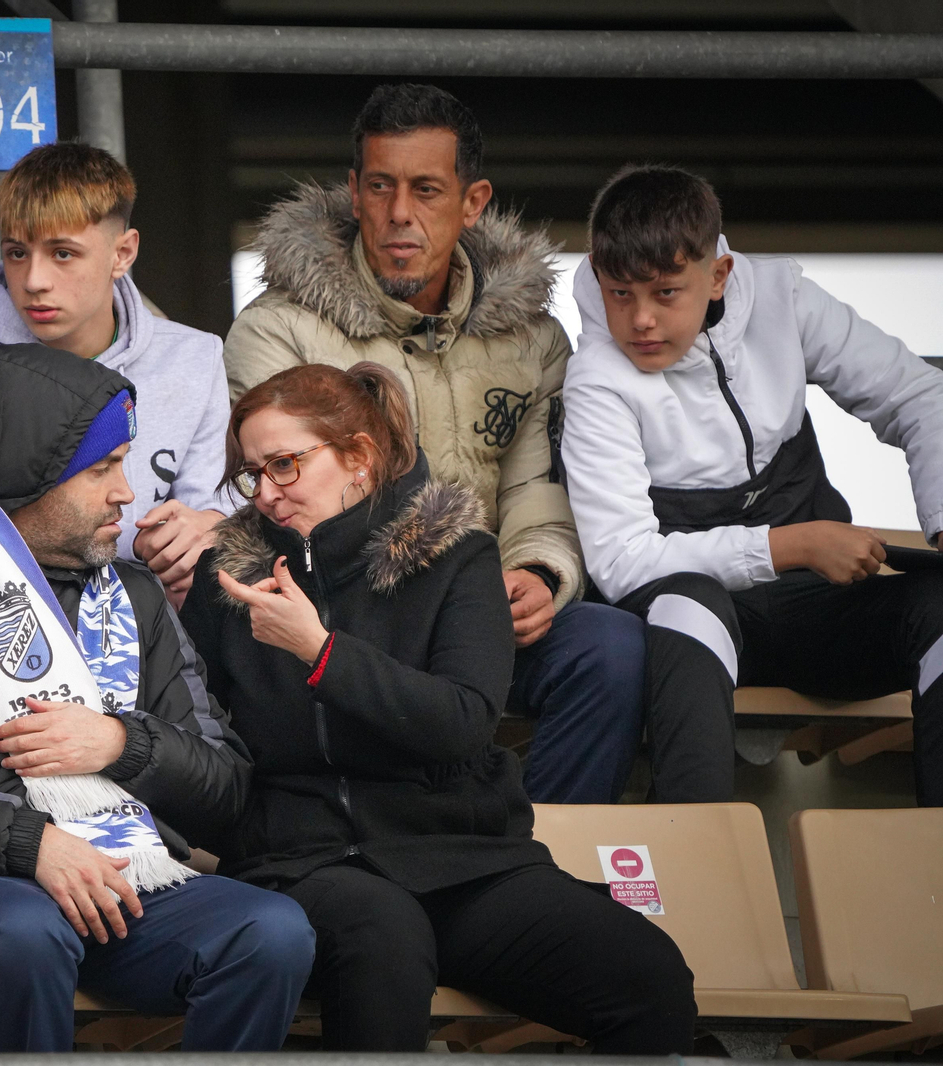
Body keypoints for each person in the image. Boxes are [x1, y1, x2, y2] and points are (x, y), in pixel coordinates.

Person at [0, 343, 314, 1053]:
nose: (127, 494)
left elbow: (226, 785)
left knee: (272, 932)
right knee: (24, 933)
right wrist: (29, 844)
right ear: (28, 472)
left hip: (129, 885)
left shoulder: (137, 597)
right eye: (102, 468)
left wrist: (122, 744)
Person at [178, 361, 696, 1052]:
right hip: (306, 863)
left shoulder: (456, 557)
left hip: (460, 859)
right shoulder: (228, 582)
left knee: (648, 973)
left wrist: (321, 653)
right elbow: (201, 740)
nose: (266, 493)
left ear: (357, 457)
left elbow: (460, 723)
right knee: (382, 939)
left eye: (285, 465)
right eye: (253, 473)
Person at [222, 83, 644, 805]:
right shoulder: (278, 330)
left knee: (608, 647)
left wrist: (538, 572)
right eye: (380, 187)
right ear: (354, 192)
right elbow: (280, 497)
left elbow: (534, 486)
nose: (399, 215)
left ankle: (548, 853)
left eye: (426, 190)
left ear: (473, 201)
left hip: (484, 611)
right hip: (348, 615)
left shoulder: (533, 340)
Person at [562, 164, 943, 804]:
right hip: (699, 626)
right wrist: (790, 546)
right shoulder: (596, 380)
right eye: (620, 294)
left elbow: (916, 394)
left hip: (822, 609)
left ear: (718, 274)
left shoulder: (783, 296)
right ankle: (698, 865)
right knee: (687, 609)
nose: (641, 320)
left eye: (665, 292)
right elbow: (624, 562)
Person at [0, 142, 231, 605]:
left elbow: (210, 511)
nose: (34, 280)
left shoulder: (195, 357)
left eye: (62, 254)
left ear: (123, 253)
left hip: (155, 624)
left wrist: (207, 528)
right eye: (16, 253)